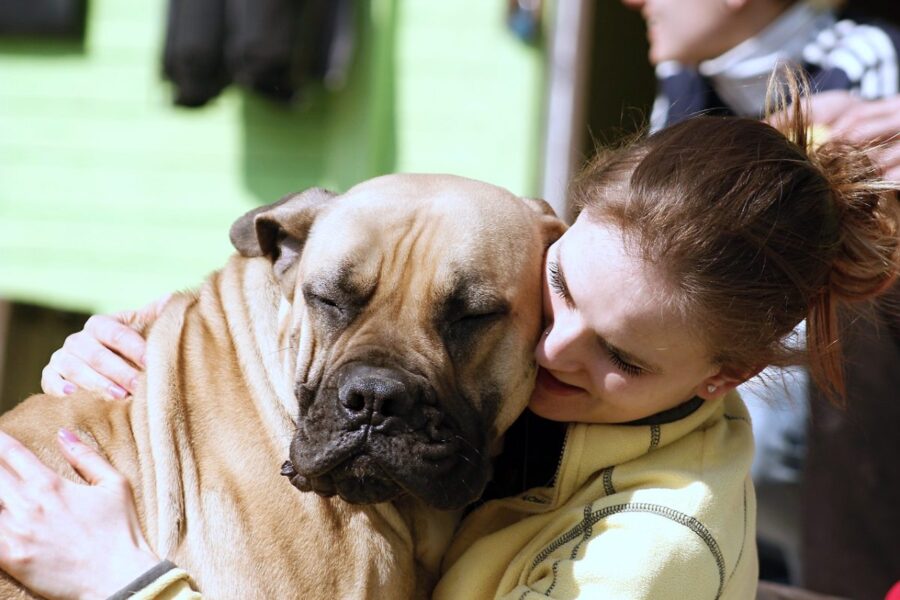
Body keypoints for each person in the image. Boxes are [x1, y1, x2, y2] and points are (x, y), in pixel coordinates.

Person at [2, 77, 899, 598]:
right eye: (557, 296)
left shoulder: (646, 550)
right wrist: (117, 342)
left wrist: (122, 579)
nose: (556, 351)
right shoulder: (277, 296)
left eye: (622, 358)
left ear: (723, 377)